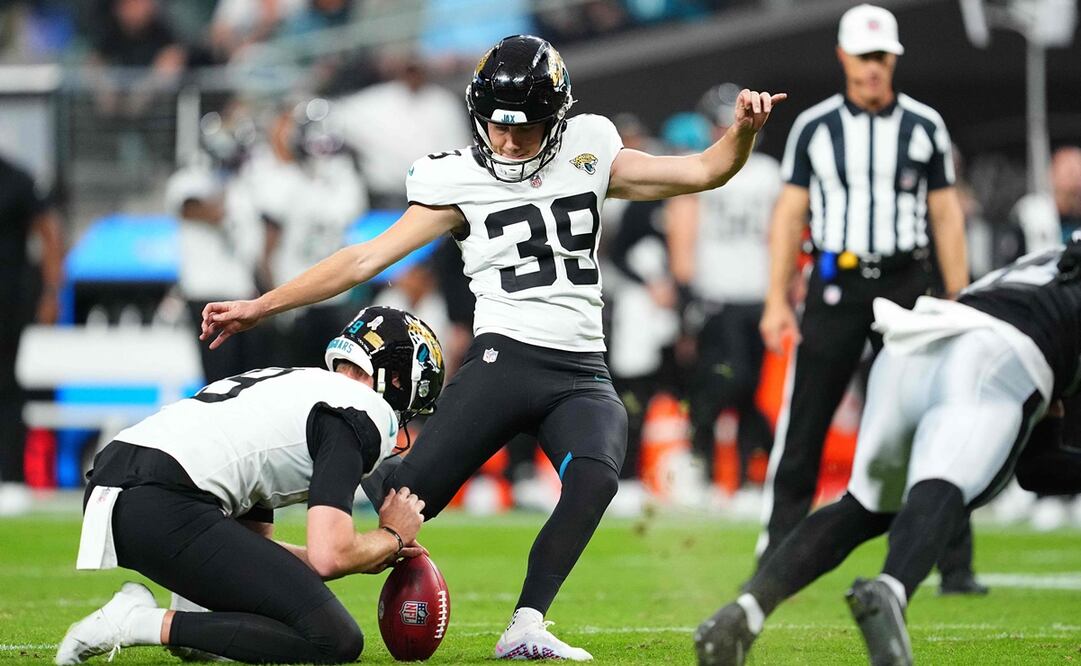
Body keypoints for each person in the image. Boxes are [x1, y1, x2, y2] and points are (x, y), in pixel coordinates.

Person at [201, 34, 784, 659]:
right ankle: (246, 541)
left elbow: (702, 170)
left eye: (525, 130)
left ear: (557, 119)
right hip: (503, 362)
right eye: (496, 127)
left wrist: (742, 134)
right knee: (399, 516)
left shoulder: (590, 148)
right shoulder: (454, 177)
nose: (507, 143)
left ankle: (526, 624)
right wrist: (262, 305)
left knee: (595, 479)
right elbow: (364, 258)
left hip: (583, 372)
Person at [695, 240, 1081, 666]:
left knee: (865, 506)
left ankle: (746, 610)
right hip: (993, 356)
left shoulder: (1048, 265)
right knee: (947, 483)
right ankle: (891, 589)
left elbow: (1039, 468)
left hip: (915, 342)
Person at [54, 306, 444, 664]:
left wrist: (365, 551)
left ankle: (189, 617)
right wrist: (392, 534)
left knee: (237, 630)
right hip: (163, 496)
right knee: (334, 640)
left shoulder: (297, 389)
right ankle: (135, 622)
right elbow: (330, 555)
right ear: (398, 379)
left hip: (127, 484)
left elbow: (257, 549)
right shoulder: (363, 409)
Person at [755, 3, 979, 594]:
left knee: (934, 422)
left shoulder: (925, 125)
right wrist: (776, 299)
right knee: (804, 425)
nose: (873, 68)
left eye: (882, 56)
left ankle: (955, 566)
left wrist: (959, 295)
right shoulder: (816, 126)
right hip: (836, 285)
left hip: (907, 285)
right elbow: (789, 214)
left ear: (894, 59)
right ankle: (774, 559)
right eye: (863, 56)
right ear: (843, 57)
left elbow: (945, 215)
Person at [668, 83, 781, 503]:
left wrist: (783, 290)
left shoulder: (769, 172)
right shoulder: (700, 167)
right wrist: (686, 294)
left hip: (756, 294)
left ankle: (750, 477)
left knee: (748, 387)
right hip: (715, 296)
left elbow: (780, 235)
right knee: (719, 384)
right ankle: (706, 466)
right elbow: (683, 232)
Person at [0, 153, 63, 516]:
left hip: (7, 302)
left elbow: (48, 229)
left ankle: (10, 476)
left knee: (7, 386)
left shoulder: (15, 178)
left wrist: (52, 291)